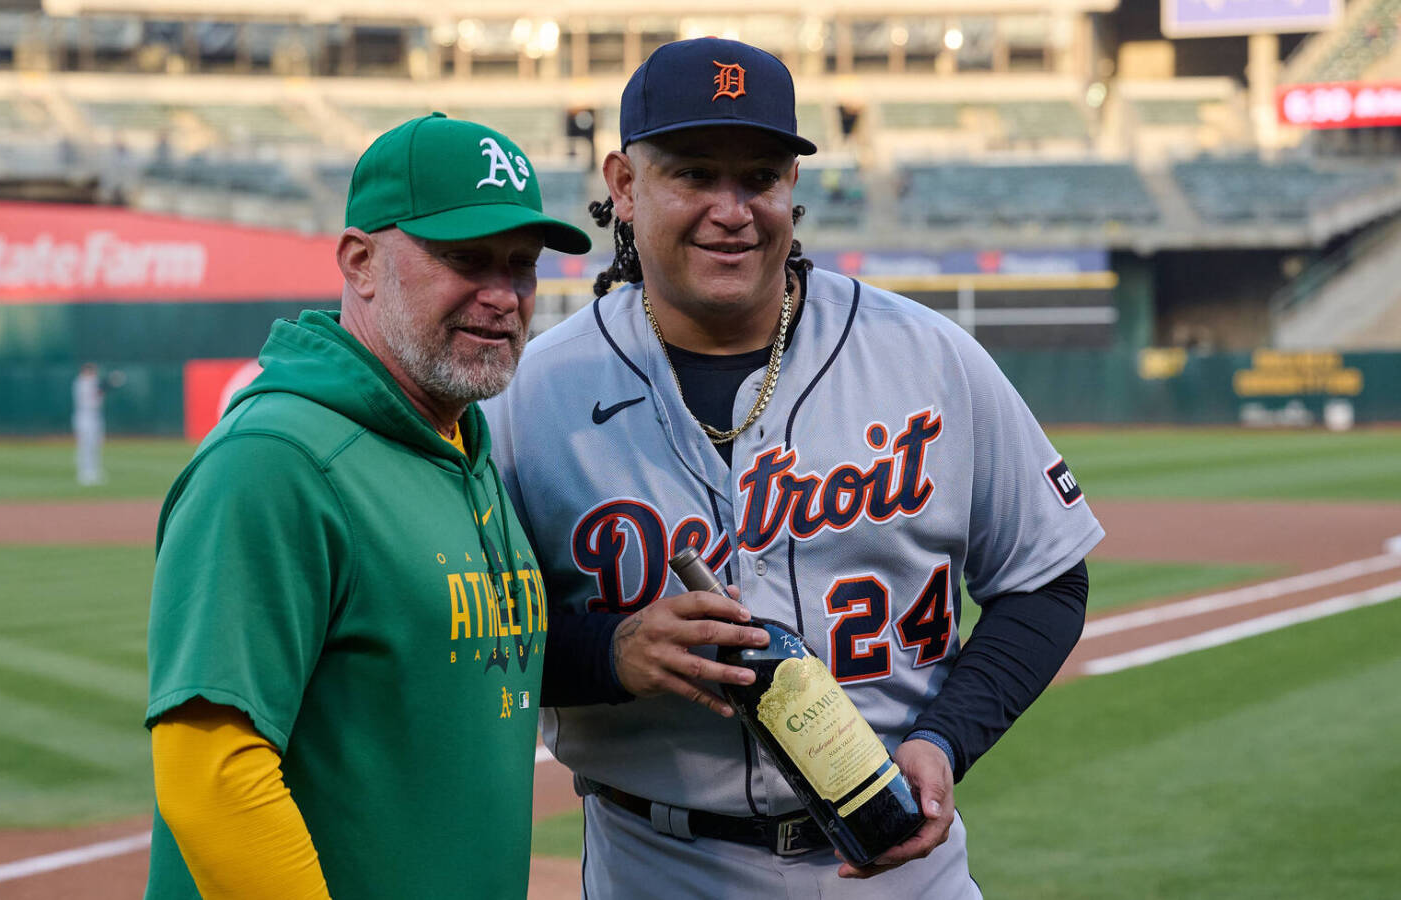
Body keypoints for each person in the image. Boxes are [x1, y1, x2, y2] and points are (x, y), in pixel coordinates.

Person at [483, 38, 1104, 899]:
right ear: (624, 186)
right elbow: (472, 635)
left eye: (762, 177)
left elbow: (1048, 580)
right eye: (695, 174)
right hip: (656, 864)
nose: (732, 209)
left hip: (897, 867)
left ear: (792, 189)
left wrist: (943, 740)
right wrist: (609, 652)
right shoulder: (529, 396)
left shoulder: (928, 358)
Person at [143, 112, 591, 900]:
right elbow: (208, 771)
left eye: (520, 265)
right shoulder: (278, 459)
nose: (502, 295)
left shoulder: (464, 447)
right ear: (361, 263)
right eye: (464, 258)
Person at [72, 362, 106, 485]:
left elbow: (99, 393)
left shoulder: (93, 382)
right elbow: (92, 397)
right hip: (84, 415)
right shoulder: (82, 382)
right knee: (85, 445)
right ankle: (84, 472)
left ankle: (94, 471)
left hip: (95, 415)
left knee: (95, 444)